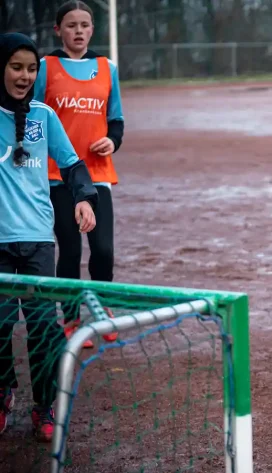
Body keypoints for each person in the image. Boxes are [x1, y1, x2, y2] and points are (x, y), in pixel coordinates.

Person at [0, 32, 98, 442]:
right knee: (1, 324)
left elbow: (74, 164)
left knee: (41, 327)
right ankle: (3, 391)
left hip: (39, 240)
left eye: (31, 68)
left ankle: (44, 404)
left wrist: (84, 199)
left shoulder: (43, 116)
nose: (25, 75)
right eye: (15, 67)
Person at [34, 0, 124, 347]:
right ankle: (71, 319)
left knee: (102, 250)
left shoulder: (107, 67)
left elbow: (116, 119)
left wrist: (111, 142)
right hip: (57, 175)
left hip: (98, 173)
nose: (79, 32)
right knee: (70, 251)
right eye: (71, 25)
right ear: (58, 30)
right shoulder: (46, 66)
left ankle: (101, 309)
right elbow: (35, 114)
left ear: (92, 29)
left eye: (85, 25)